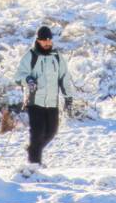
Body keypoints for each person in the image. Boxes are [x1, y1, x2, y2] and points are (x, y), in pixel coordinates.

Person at [12, 26, 73, 172]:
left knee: (52, 131)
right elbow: (19, 76)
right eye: (44, 40)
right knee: (37, 133)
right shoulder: (31, 56)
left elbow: (64, 78)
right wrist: (28, 80)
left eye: (49, 40)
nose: (47, 43)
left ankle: (33, 150)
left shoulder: (57, 57)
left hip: (52, 102)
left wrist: (68, 96)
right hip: (35, 102)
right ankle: (34, 165)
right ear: (38, 41)